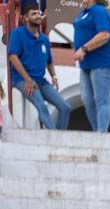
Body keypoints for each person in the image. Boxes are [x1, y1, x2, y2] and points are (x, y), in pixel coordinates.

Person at [9, 2, 71, 130]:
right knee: (42, 106)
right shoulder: (17, 34)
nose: (38, 16)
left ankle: (58, 136)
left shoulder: (44, 39)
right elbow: (13, 57)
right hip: (22, 80)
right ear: (25, 18)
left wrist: (54, 76)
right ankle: (55, 137)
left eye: (38, 13)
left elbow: (49, 61)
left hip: (41, 81)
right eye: (33, 14)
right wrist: (27, 79)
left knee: (65, 107)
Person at [73, 0, 110, 132]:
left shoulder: (99, 10)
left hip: (101, 61)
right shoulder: (86, 12)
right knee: (87, 100)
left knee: (101, 99)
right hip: (86, 63)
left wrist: (83, 49)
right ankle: (96, 131)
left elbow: (104, 35)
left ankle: (101, 133)